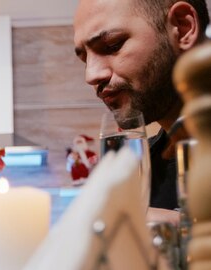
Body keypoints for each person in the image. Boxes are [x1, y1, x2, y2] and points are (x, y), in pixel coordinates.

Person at [73, 0, 210, 224]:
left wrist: (180, 228)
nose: (91, 75)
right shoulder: (146, 167)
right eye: (84, 58)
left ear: (183, 27)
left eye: (112, 45)